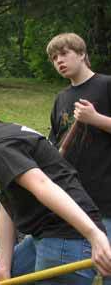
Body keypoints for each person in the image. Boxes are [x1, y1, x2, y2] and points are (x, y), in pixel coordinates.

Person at [0, 90, 111, 285]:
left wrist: (94, 235)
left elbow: (42, 184)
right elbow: (5, 204)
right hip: (43, 234)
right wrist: (4, 265)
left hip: (67, 236)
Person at [47, 32, 111, 285]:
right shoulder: (61, 98)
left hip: (107, 195)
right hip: (75, 197)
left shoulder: (106, 85)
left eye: (64, 54)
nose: (59, 61)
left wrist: (96, 119)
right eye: (54, 58)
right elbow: (54, 143)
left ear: (82, 54)